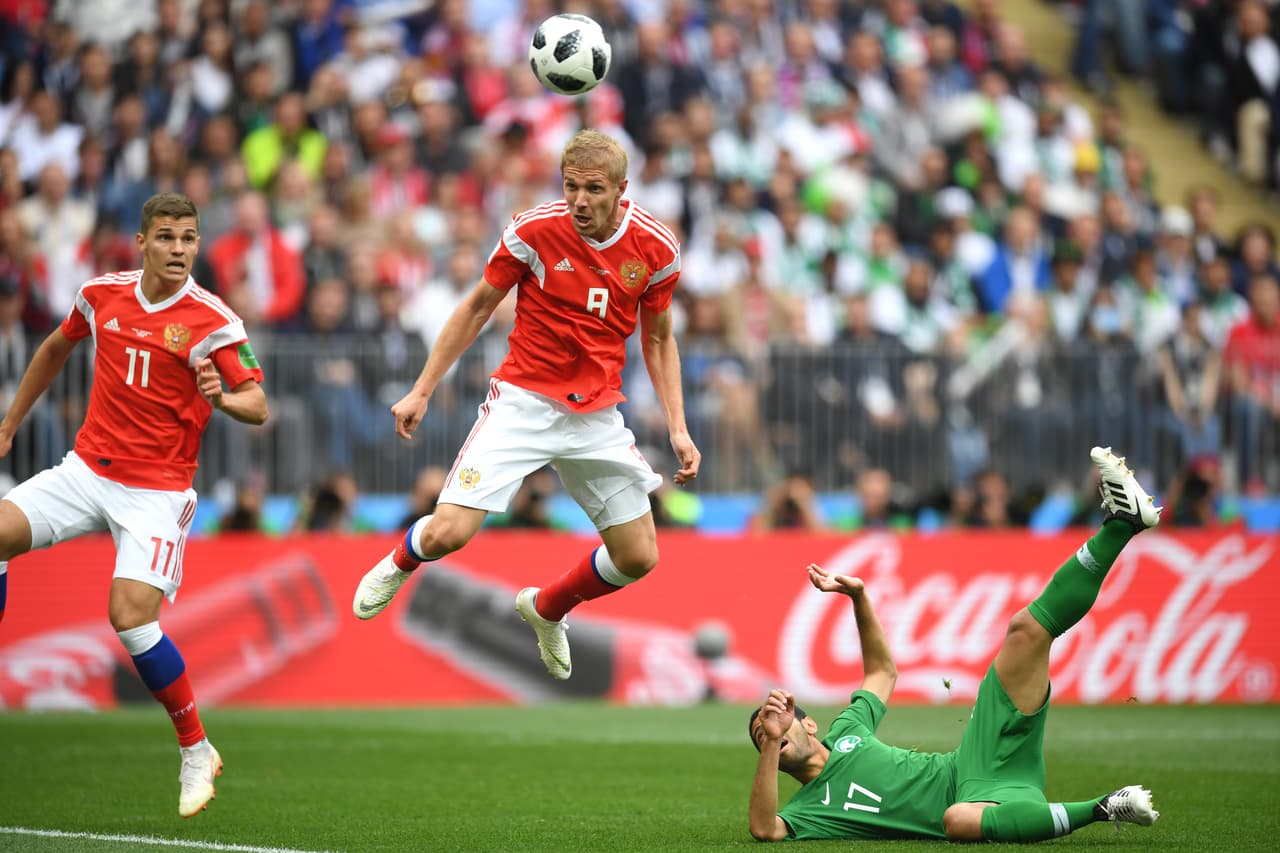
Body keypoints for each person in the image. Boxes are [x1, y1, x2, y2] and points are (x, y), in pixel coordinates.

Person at [351, 130, 701, 681]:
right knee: (448, 534)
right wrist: (422, 388)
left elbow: (657, 339)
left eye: (593, 189)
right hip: (523, 401)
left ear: (621, 189)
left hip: (596, 416)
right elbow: (476, 308)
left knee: (638, 556)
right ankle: (401, 562)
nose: (580, 201)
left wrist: (678, 428)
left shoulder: (655, 249)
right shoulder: (533, 230)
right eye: (571, 188)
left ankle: (546, 609)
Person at [0, 193, 268, 818]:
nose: (179, 250)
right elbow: (51, 350)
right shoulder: (101, 296)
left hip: (158, 491)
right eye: (168, 238)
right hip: (86, 470)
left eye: (190, 239)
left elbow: (258, 404)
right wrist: (10, 424)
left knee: (129, 616)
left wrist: (221, 398)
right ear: (142, 242)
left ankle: (196, 748)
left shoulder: (214, 320)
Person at [747, 446, 1162, 843]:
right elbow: (765, 830)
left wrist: (859, 597)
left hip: (972, 760)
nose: (774, 728)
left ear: (810, 723)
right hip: (977, 804)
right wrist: (770, 741)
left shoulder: (847, 732)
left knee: (1024, 631)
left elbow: (881, 672)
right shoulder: (809, 810)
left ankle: (1122, 524)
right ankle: (1103, 807)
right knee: (957, 821)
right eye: (763, 734)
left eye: (780, 719)